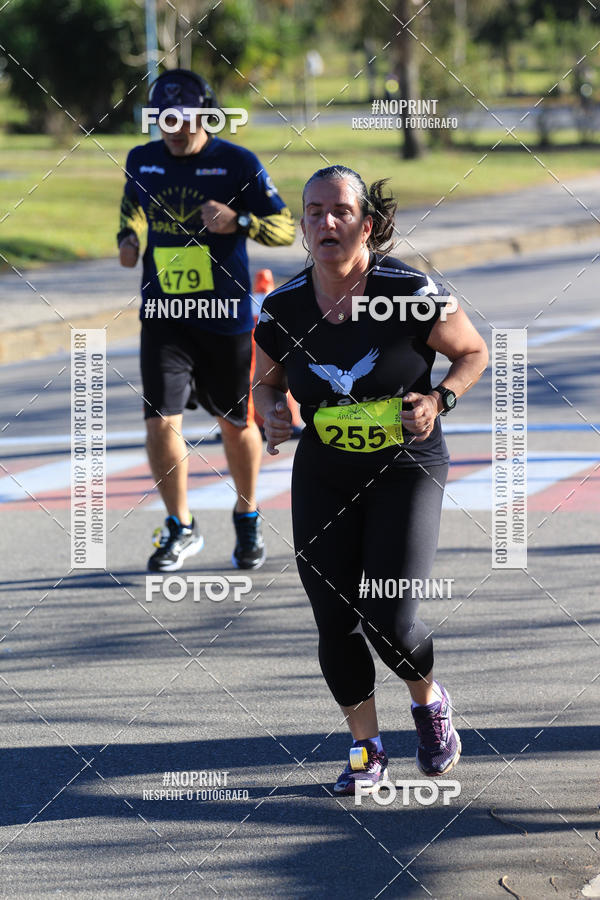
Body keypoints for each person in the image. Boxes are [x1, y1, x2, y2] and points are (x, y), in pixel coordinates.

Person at [252, 166, 488, 794]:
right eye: (313, 212)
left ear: (369, 223)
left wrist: (440, 399)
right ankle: (366, 750)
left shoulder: (409, 290)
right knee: (334, 618)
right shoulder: (284, 307)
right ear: (302, 224)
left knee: (390, 614)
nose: (326, 222)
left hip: (405, 467)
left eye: (340, 211)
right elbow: (264, 383)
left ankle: (428, 701)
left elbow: (473, 352)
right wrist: (272, 414)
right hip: (326, 471)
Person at [117, 69, 295, 572]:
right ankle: (180, 524)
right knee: (159, 423)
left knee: (234, 424)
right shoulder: (142, 160)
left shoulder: (236, 163)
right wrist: (127, 240)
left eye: (183, 116)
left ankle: (247, 512)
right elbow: (132, 210)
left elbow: (284, 228)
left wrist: (238, 221)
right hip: (165, 314)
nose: (172, 127)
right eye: (162, 118)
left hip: (224, 317)